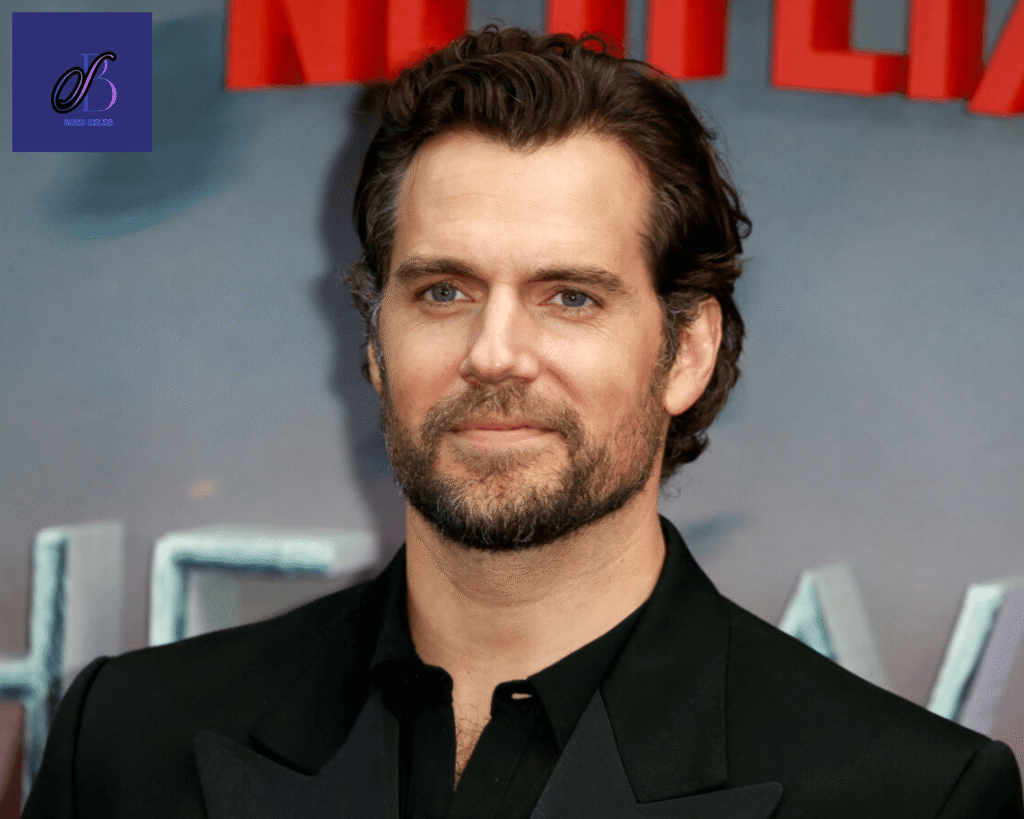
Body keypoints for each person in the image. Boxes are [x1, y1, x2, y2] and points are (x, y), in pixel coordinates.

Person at [23, 25, 1024, 819]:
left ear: (686, 351)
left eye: (569, 297)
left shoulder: (905, 795)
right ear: (373, 340)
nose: (494, 352)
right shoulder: (129, 742)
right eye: (444, 292)